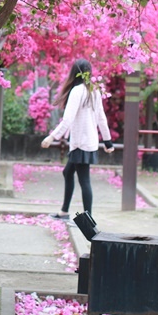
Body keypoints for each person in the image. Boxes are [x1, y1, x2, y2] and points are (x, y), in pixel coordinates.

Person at [40, 59, 114, 219]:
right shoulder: (93, 90)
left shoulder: (78, 91)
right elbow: (101, 117)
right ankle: (65, 211)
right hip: (88, 141)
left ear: (74, 73)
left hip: (81, 142)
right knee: (68, 172)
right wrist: (107, 141)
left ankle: (88, 219)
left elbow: (68, 119)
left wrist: (51, 137)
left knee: (84, 180)